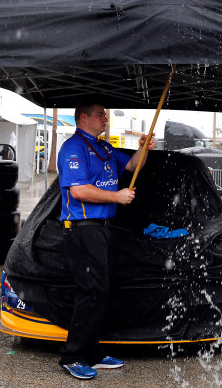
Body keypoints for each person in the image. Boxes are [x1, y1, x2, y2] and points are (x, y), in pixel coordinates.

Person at [57, 100, 155, 380]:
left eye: (106, 115)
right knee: (91, 291)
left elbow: (132, 167)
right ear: (83, 117)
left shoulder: (104, 147)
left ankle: (94, 353)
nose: (105, 119)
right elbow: (78, 190)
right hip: (82, 227)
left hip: (101, 228)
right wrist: (117, 196)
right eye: (100, 115)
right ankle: (71, 356)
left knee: (100, 291)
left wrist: (142, 149)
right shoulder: (73, 148)